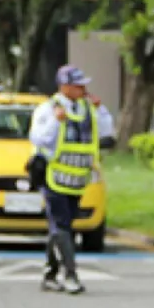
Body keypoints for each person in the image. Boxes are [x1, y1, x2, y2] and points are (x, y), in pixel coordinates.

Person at [28, 65, 115, 294]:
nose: (83, 89)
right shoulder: (47, 109)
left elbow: (105, 132)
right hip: (53, 176)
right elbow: (39, 139)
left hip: (77, 178)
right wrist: (56, 122)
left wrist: (101, 109)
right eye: (78, 85)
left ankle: (50, 274)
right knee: (61, 225)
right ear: (64, 87)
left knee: (62, 226)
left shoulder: (88, 108)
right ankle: (70, 275)